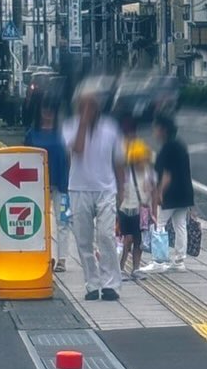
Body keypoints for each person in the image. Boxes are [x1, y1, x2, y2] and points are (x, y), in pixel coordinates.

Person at [62, 93, 125, 301]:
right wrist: (83, 123)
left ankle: (110, 284)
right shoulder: (70, 126)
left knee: (106, 236)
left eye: (92, 106)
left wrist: (122, 189)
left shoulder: (111, 128)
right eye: (83, 106)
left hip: (106, 188)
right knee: (84, 239)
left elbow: (118, 160)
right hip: (79, 189)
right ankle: (92, 284)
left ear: (98, 108)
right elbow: (77, 149)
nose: (88, 110)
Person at [25, 95, 70, 272]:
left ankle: (62, 259)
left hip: (62, 184)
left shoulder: (64, 132)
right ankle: (45, 256)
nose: (48, 112)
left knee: (63, 221)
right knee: (41, 222)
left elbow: (70, 157)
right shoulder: (32, 133)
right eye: (45, 108)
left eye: (52, 109)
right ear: (39, 110)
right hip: (38, 185)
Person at [153, 114, 194, 272]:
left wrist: (159, 192)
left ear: (163, 130)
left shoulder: (167, 148)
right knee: (180, 225)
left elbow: (167, 175)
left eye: (156, 128)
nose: (154, 132)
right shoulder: (180, 145)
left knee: (160, 224)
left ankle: (159, 260)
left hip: (170, 193)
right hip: (184, 192)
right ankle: (179, 261)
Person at [119, 139, 155, 279]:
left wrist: (153, 212)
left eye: (145, 159)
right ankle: (120, 267)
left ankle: (136, 268)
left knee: (139, 241)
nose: (143, 162)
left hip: (142, 212)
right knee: (127, 240)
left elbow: (153, 192)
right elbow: (120, 192)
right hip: (125, 210)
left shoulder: (148, 173)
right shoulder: (127, 173)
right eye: (140, 160)